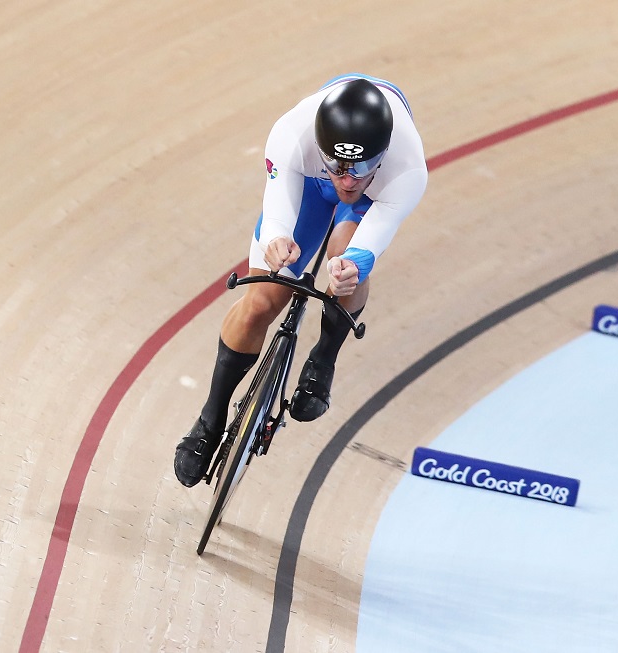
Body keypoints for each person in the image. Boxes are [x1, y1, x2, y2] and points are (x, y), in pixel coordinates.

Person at [174, 74, 428, 487]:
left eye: (357, 171)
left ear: (380, 157)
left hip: (371, 200)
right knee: (260, 302)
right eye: (339, 168)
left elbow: (367, 246)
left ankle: (324, 356)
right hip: (309, 180)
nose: (346, 181)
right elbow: (277, 211)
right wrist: (276, 240)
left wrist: (350, 267)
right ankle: (210, 417)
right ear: (322, 148)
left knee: (347, 261)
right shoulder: (292, 135)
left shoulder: (406, 169)